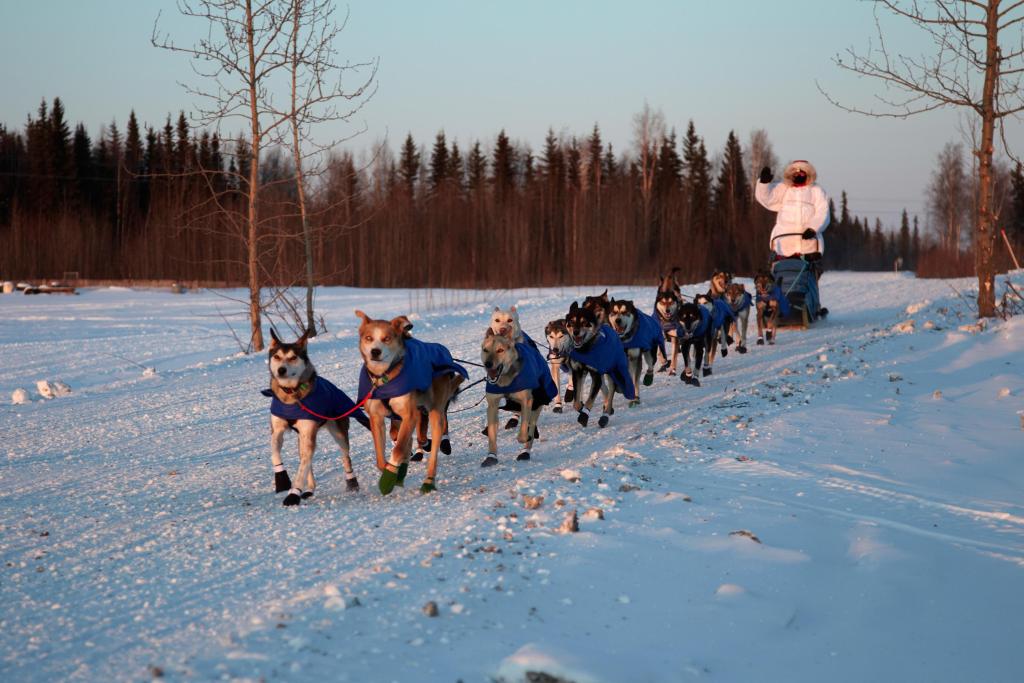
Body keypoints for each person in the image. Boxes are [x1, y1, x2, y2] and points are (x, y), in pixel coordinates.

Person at [755, 159, 830, 279]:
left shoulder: (816, 191)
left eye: (801, 173)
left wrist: (813, 228)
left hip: (808, 248)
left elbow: (823, 212)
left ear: (807, 174)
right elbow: (767, 198)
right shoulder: (784, 188)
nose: (798, 176)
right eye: (795, 174)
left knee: (807, 282)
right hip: (783, 246)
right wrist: (764, 184)